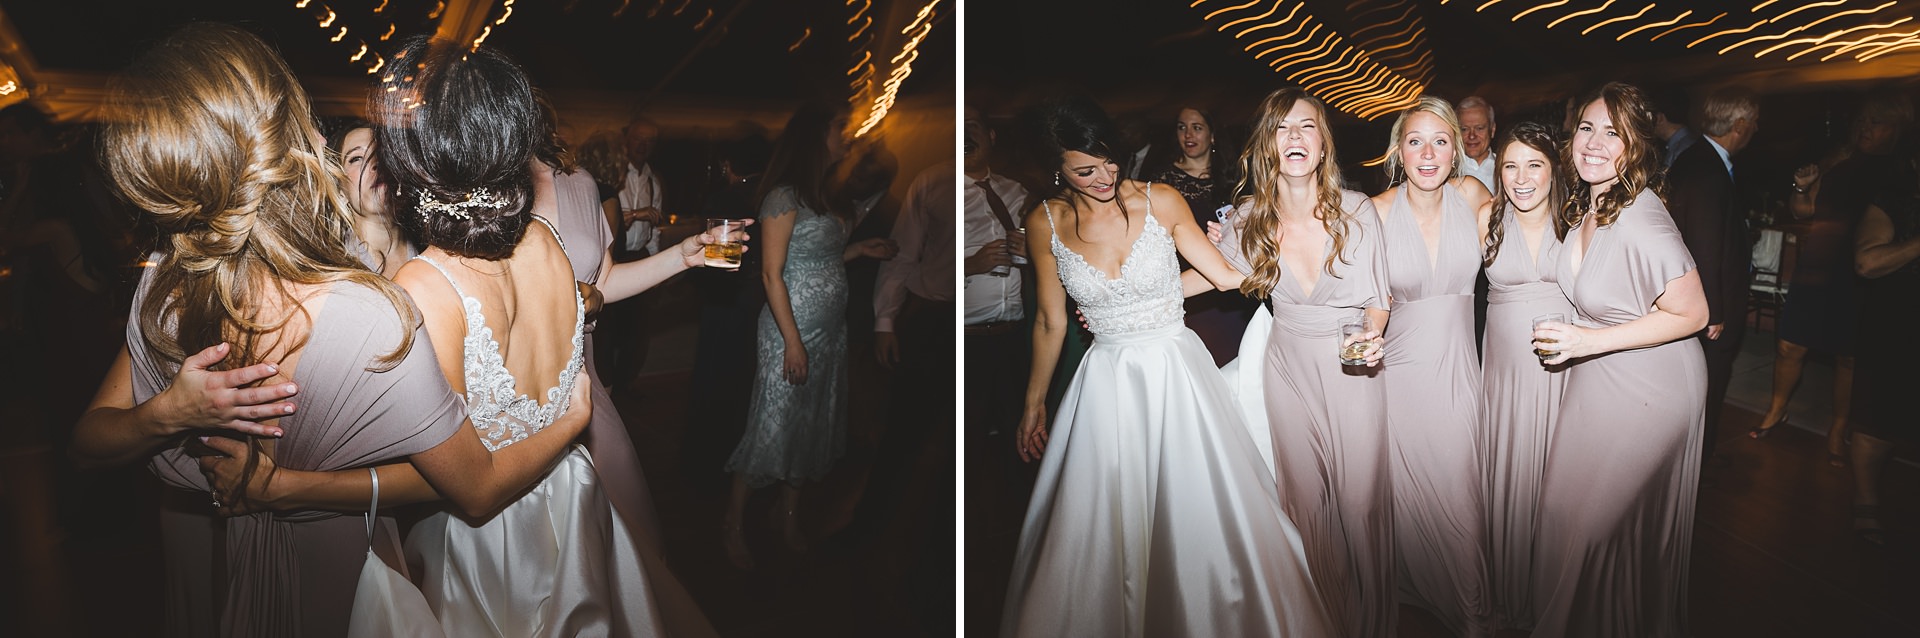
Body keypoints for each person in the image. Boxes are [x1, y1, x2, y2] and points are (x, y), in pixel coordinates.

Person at [71, 24, 595, 637]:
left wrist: (271, 484)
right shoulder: (195, 291)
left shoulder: (179, 282)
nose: (327, 138)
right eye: (315, 127)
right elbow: (89, 441)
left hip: (337, 559)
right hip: (249, 551)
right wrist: (168, 413)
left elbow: (457, 475)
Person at [1001, 96, 1330, 637]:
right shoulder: (1045, 223)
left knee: (1196, 507)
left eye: (1109, 161)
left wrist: (1264, 238)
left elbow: (1225, 277)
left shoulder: (1162, 200)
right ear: (1056, 171)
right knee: (1105, 518)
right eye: (1084, 170)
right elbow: (1049, 321)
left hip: (1176, 376)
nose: (1104, 177)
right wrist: (1033, 403)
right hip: (1105, 384)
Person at [1529, 82, 1709, 637]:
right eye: (1586, 128)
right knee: (1560, 513)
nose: (1594, 143)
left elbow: (1694, 314)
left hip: (1654, 384)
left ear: (1637, 146)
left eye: (1614, 133)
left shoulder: (1639, 216)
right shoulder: (1591, 201)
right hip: (1602, 374)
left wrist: (1587, 341)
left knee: (1591, 528)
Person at [1215, 87, 1393, 637]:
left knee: (1361, 505)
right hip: (1287, 368)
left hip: (1352, 367)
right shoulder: (1248, 218)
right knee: (1306, 505)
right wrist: (1135, 299)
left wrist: (1371, 336)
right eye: (1281, 128)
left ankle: (1375, 623)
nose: (1294, 137)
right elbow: (1216, 276)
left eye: (1307, 126)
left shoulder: (1356, 209)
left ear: (1323, 144)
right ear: (1268, 144)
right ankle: (1328, 619)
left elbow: (1379, 299)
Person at [723, 103, 896, 569]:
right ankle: (733, 523)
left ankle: (788, 515)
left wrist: (858, 249)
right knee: (772, 424)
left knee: (810, 423)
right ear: (816, 137)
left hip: (830, 330)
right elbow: (772, 274)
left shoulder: (827, 194)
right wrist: (793, 342)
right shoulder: (782, 196)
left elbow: (821, 257)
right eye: (840, 128)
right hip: (789, 330)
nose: (847, 136)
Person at [1367, 96, 1494, 637]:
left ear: (1456, 150)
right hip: (1399, 374)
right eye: (1415, 141)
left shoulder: (1473, 195)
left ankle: (1470, 607)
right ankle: (1415, 586)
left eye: (1440, 141)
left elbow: (1532, 236)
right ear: (1398, 150)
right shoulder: (1374, 211)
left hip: (1460, 367)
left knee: (1461, 485)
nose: (1427, 153)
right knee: (1409, 488)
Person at [1752, 95, 1914, 467]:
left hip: (1857, 274)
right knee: (1789, 345)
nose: (1866, 129)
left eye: (1876, 123)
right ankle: (1776, 410)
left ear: (1896, 129)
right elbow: (1803, 210)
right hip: (1817, 265)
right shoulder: (1839, 158)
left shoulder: (1901, 175)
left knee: (1849, 357)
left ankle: (1839, 429)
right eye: (1864, 121)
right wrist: (1801, 187)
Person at [1475, 120, 1575, 631]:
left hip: (1567, 375)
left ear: (1555, 169)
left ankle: (1556, 593)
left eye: (1534, 165)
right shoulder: (1485, 217)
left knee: (1561, 482)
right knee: (1509, 481)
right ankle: (1511, 592)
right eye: (1510, 166)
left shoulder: (1581, 221)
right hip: (1507, 378)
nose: (1521, 178)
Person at [1666, 88, 1759, 463]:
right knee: (1706, 389)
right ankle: (1695, 468)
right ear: (1740, 125)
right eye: (1754, 122)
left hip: (1701, 301)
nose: (1756, 129)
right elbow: (1704, 243)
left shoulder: (1699, 159)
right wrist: (1714, 311)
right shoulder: (1706, 168)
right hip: (1707, 308)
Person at [1146, 106, 1257, 365]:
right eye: (1182, 127)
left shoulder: (1237, 176)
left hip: (1233, 282)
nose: (1188, 134)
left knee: (1240, 359)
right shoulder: (1162, 182)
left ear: (1212, 134)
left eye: (1197, 127)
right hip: (1189, 278)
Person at [1847, 171, 1920, 546]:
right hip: (1898, 322)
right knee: (1878, 416)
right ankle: (1866, 500)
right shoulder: (1895, 197)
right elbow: (1866, 263)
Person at [960, 105, 1029, 440]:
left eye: (972, 125)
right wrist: (970, 265)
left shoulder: (1017, 191)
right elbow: (910, 263)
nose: (965, 134)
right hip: (964, 338)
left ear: (990, 136)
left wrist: (1031, 253)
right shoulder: (936, 192)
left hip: (1014, 334)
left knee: (1016, 432)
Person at [325, 120, 412, 278]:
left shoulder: (432, 247)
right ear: (339, 191)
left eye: (382, 152)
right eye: (356, 158)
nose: (375, 163)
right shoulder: (335, 270)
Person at [617, 115, 666, 258]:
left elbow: (654, 230)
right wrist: (635, 214)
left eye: (649, 141)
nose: (643, 145)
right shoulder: (615, 175)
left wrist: (655, 260)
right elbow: (603, 220)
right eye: (637, 138)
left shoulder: (653, 182)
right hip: (615, 257)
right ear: (626, 140)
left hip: (640, 256)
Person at [1457, 96, 1498, 192]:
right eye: (1464, 129)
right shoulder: (1446, 170)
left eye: (1479, 128)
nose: (1472, 136)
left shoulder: (1505, 168)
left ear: (1492, 130)